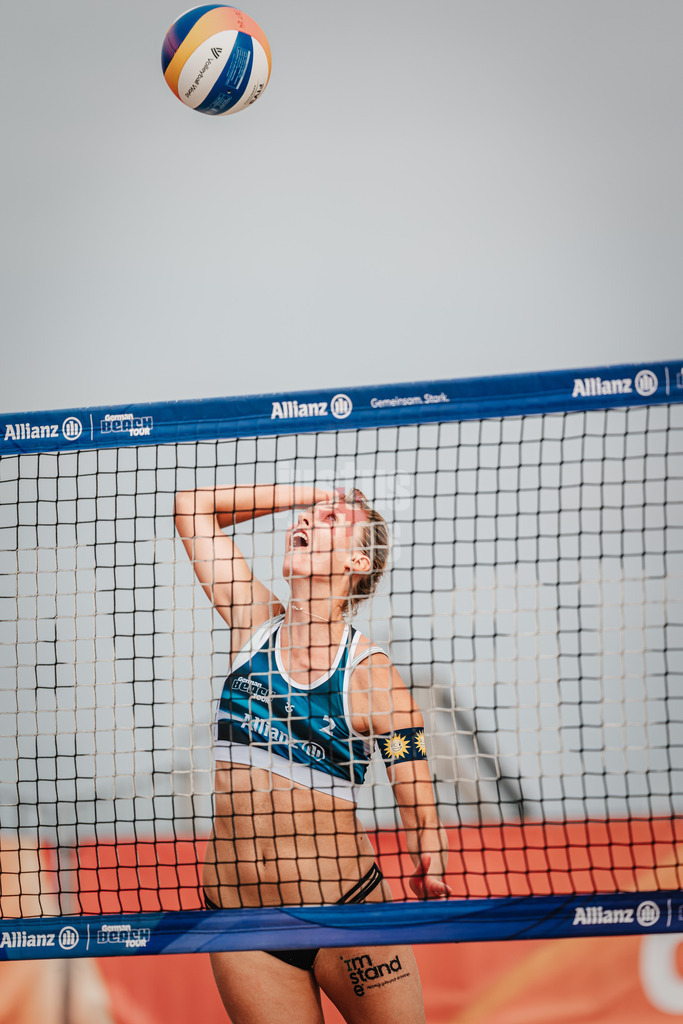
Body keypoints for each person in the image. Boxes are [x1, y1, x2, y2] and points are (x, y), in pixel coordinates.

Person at [174, 483, 451, 1024]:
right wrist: (313, 493)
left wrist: (429, 848)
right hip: (241, 925)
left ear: (357, 560)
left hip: (345, 913)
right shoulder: (253, 622)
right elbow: (192, 506)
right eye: (308, 514)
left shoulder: (373, 675)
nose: (306, 517)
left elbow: (411, 769)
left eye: (330, 518)